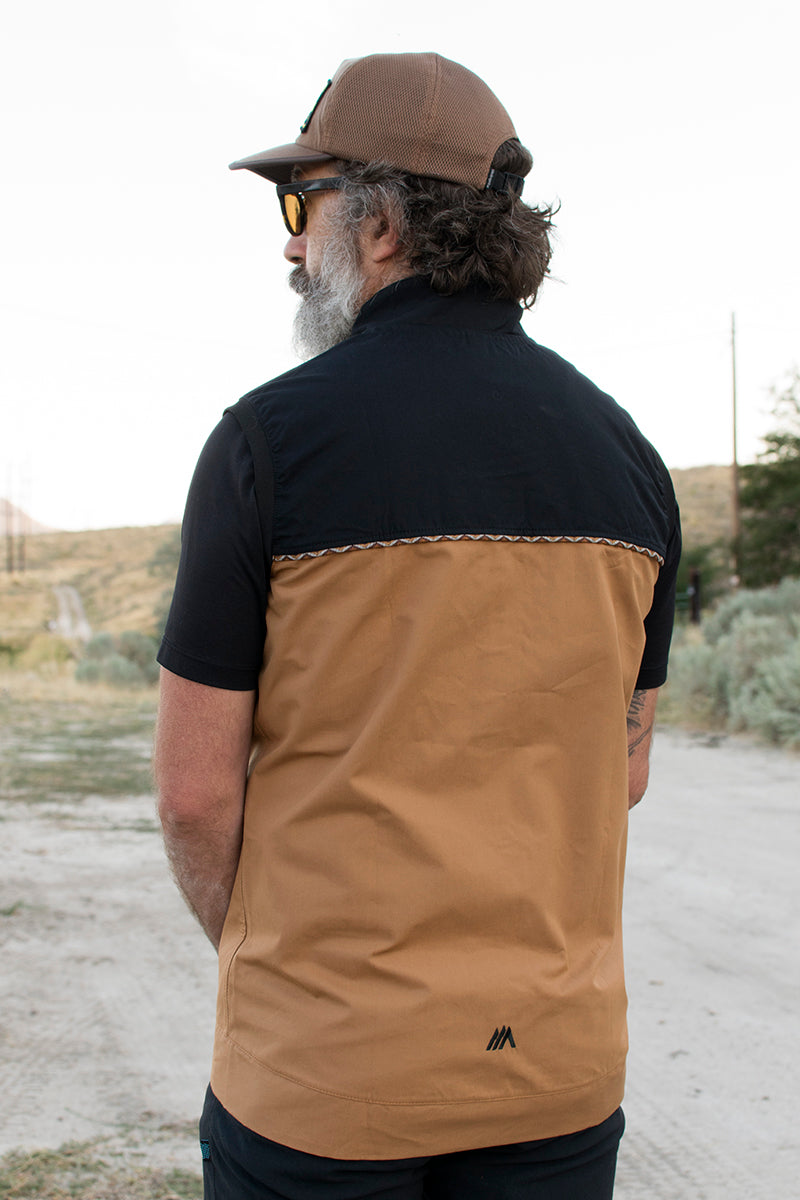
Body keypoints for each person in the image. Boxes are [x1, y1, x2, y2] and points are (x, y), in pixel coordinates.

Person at [154, 51, 680, 1200]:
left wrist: (293, 983)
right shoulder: (630, 461)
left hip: (324, 1085)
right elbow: (619, 769)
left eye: (303, 203)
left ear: (383, 222)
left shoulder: (266, 444)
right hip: (553, 1075)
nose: (290, 243)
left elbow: (196, 795)